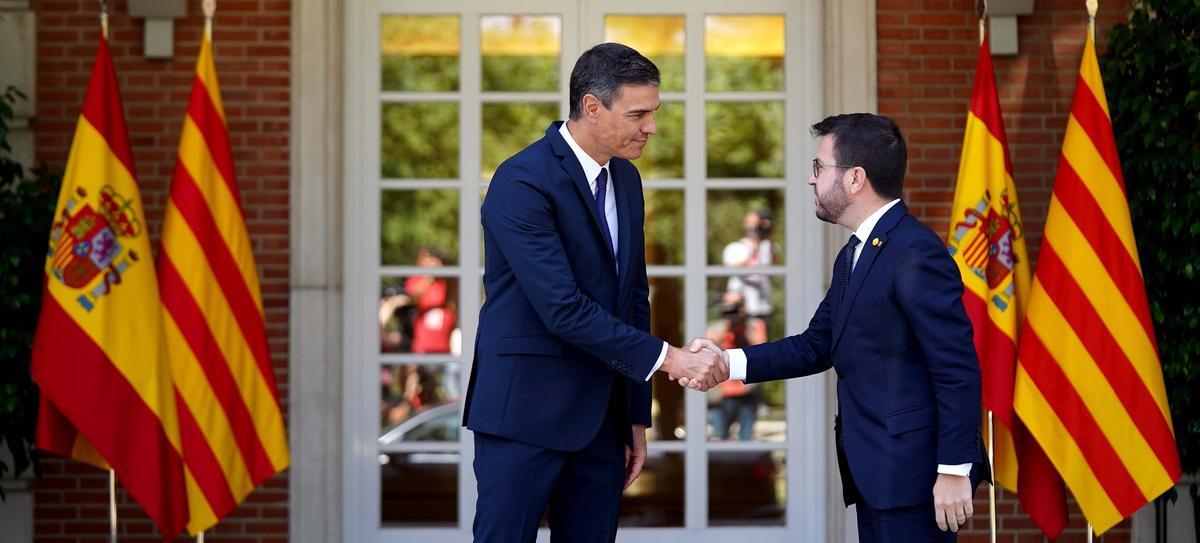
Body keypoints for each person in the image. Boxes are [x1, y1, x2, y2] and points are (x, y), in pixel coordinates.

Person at [463, 43, 726, 543]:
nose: (651, 126)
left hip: (603, 425)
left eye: (654, 112)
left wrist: (635, 416)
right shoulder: (521, 180)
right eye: (638, 114)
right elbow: (561, 307)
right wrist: (671, 360)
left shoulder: (626, 180)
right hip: (524, 415)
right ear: (591, 107)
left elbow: (632, 300)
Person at [686, 113, 989, 541]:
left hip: (917, 480)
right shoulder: (854, 253)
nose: (811, 180)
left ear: (855, 178)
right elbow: (816, 345)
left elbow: (956, 367)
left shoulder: (915, 252)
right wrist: (725, 362)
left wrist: (955, 469)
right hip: (877, 474)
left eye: (819, 167)